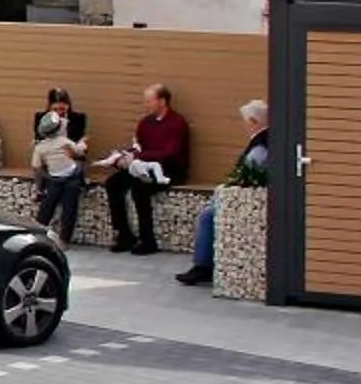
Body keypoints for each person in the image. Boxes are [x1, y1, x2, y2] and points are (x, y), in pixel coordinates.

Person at [178, 99, 269, 286]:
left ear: (253, 122)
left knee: (207, 216)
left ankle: (202, 265)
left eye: (245, 122)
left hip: (249, 199)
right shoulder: (266, 141)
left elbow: (247, 175)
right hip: (249, 196)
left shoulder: (260, 146)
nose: (244, 126)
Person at [98, 83, 191, 256]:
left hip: (167, 170)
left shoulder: (177, 123)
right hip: (143, 166)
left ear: (162, 101)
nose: (146, 105)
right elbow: (138, 147)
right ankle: (124, 234)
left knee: (140, 189)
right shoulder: (145, 123)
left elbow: (170, 153)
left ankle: (147, 240)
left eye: (149, 101)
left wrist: (139, 157)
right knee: (113, 183)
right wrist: (123, 157)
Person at [31, 101, 85, 245]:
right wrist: (82, 144)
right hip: (72, 178)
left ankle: (37, 235)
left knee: (46, 208)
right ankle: (64, 241)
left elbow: (36, 167)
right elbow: (79, 152)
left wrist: (39, 187)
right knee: (69, 210)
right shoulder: (64, 141)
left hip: (54, 179)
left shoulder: (40, 147)